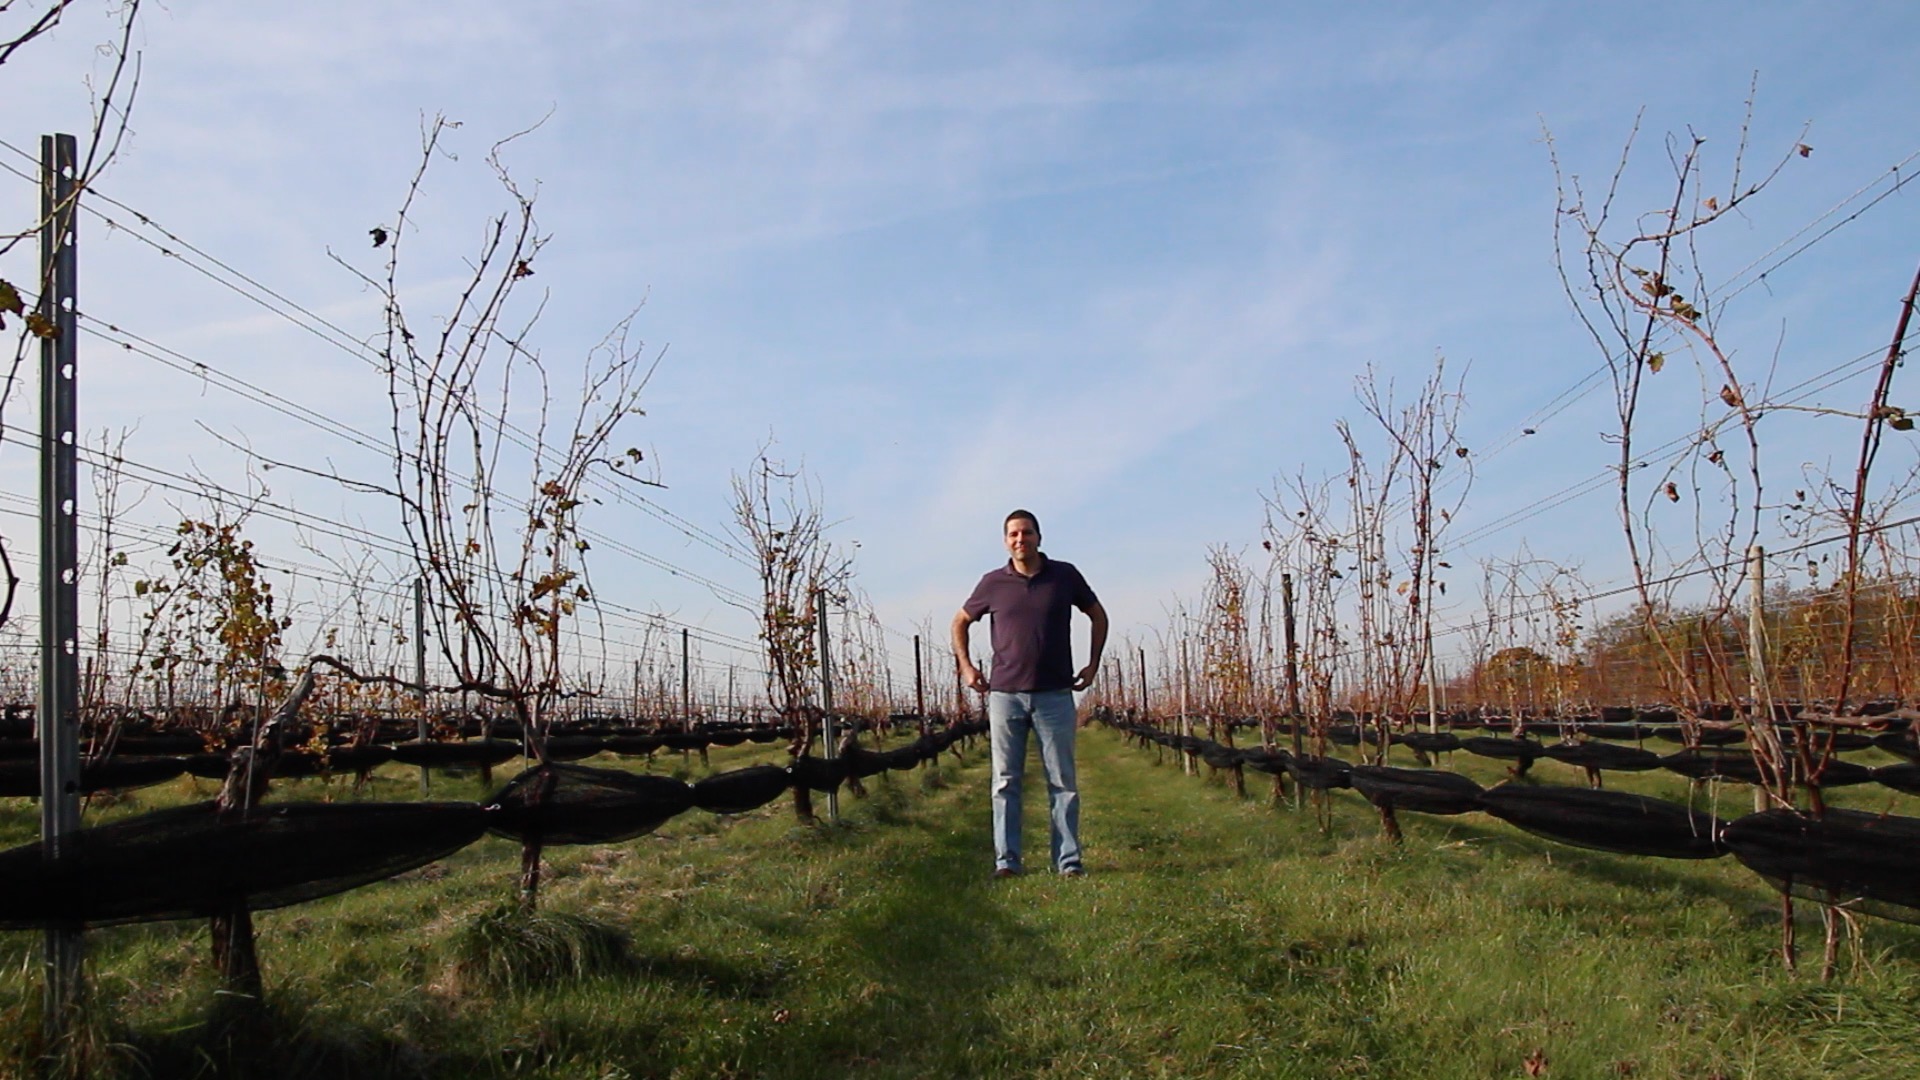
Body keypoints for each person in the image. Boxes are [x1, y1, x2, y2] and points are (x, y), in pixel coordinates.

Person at [951, 509, 1108, 878]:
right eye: (1013, 535)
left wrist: (1093, 663)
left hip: (1055, 694)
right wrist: (967, 666)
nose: (1020, 540)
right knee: (1005, 781)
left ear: (1039, 537)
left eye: (1026, 533)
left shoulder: (1065, 576)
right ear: (1006, 541)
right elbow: (959, 621)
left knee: (1063, 781)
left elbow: (1098, 615)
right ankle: (1007, 862)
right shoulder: (992, 583)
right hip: (1005, 695)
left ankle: (1068, 862)